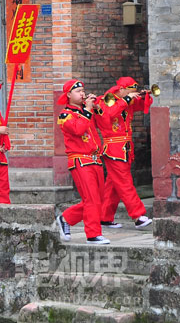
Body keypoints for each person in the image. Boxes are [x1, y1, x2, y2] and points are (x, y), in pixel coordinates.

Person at [95, 77, 153, 229]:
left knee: (114, 185)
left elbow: (142, 106)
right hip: (113, 148)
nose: (132, 95)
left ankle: (105, 217)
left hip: (125, 147)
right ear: (121, 89)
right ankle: (137, 216)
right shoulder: (106, 99)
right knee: (125, 182)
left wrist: (144, 96)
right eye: (130, 92)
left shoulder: (125, 100)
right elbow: (110, 114)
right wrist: (127, 99)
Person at [56, 80, 109, 245]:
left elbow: (106, 125)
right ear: (68, 95)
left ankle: (65, 218)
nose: (82, 94)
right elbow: (78, 130)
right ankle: (93, 234)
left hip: (95, 159)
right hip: (80, 160)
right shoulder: (64, 116)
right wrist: (87, 109)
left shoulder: (86, 111)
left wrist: (97, 109)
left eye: (82, 90)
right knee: (92, 198)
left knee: (97, 199)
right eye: (78, 91)